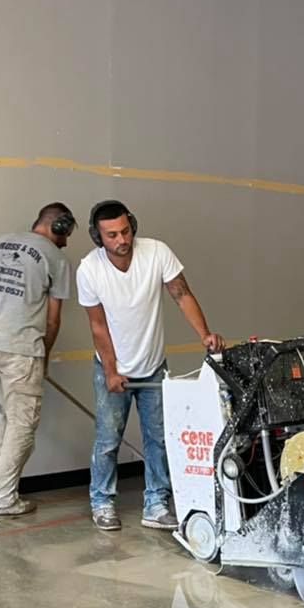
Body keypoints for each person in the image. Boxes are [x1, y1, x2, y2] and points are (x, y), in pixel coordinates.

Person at [77, 199, 223, 532]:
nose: (121, 240)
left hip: (154, 365)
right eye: (111, 235)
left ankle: (156, 504)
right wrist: (112, 371)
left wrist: (204, 334)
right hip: (113, 369)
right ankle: (102, 502)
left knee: (159, 438)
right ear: (98, 237)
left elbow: (182, 294)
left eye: (125, 231)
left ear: (133, 225)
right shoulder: (89, 269)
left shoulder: (157, 252)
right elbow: (98, 326)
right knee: (108, 439)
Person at [0, 202, 74, 521]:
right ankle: (3, 499)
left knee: (9, 412)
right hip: (22, 348)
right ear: (60, 226)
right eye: (66, 235)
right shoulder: (56, 258)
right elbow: (52, 321)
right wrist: (43, 357)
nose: (66, 243)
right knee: (23, 423)